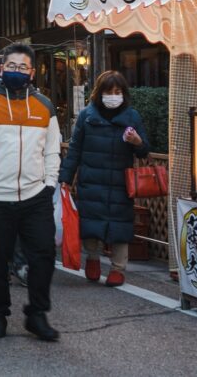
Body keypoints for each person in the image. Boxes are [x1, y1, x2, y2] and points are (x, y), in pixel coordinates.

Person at [0, 43, 62, 341]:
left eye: (23, 68)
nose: (17, 72)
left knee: (43, 254)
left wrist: (49, 183)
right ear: (2, 69)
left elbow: (52, 150)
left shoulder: (44, 105)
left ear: (32, 72)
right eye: (12, 67)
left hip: (35, 195)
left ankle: (37, 314)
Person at [59, 71, 149, 288]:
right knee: (91, 224)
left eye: (118, 92)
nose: (113, 96)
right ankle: (92, 258)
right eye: (109, 92)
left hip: (120, 182)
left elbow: (144, 151)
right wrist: (66, 178)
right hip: (91, 180)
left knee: (120, 227)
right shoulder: (86, 116)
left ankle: (118, 269)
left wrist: (137, 141)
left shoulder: (132, 117)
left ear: (124, 93)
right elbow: (74, 150)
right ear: (99, 93)